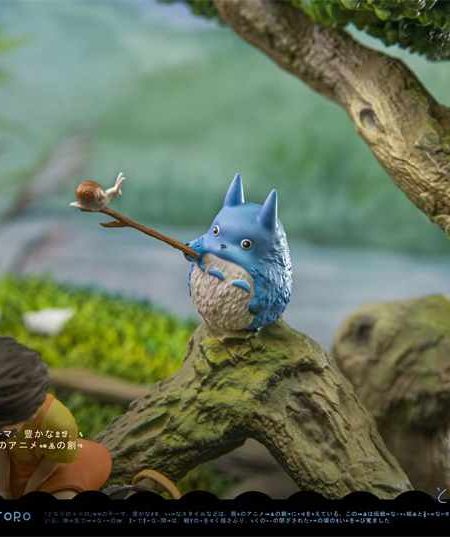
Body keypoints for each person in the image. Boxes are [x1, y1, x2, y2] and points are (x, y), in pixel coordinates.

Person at [0, 336, 112, 499]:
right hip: (17, 463)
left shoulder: (56, 424)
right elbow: (3, 451)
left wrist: (28, 491)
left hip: (56, 470)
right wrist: (4, 489)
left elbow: (49, 466)